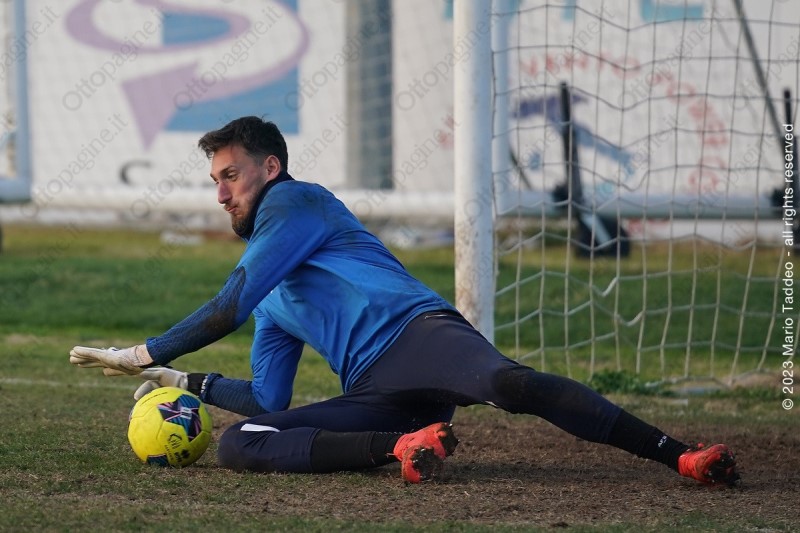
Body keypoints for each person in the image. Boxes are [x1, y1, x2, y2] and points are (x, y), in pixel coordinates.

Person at [70, 116, 739, 486]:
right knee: (242, 442)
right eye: (215, 181)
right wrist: (179, 379)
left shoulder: (296, 201)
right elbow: (270, 400)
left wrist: (141, 352)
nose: (221, 194)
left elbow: (227, 308)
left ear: (269, 168)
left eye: (231, 175)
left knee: (509, 385)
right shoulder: (273, 301)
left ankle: (679, 454)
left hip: (420, 336)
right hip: (380, 392)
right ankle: (404, 446)